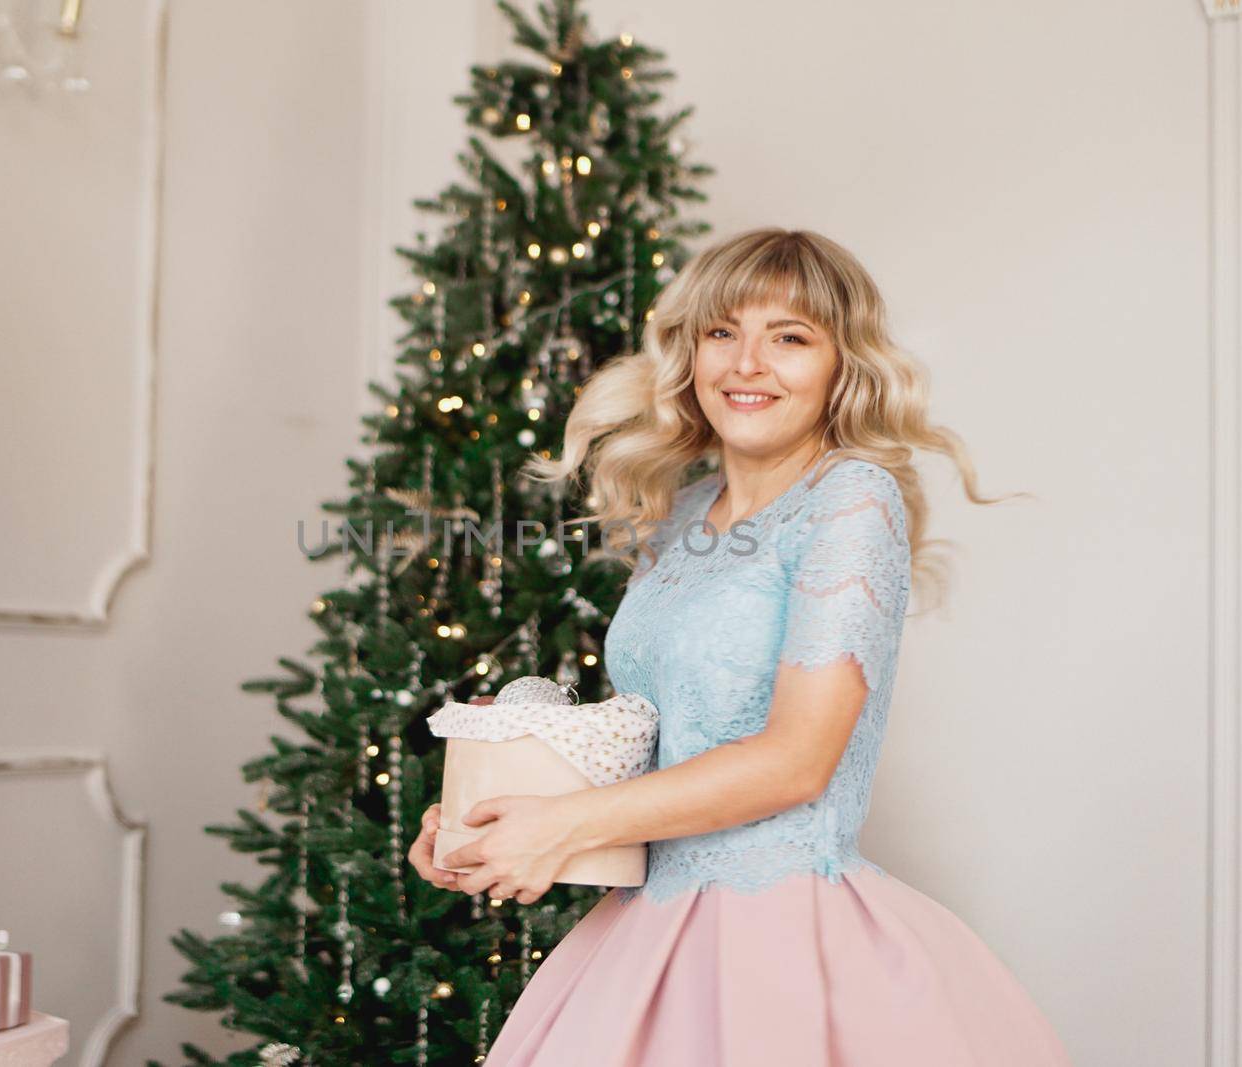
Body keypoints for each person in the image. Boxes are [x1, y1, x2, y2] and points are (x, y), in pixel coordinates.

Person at [406, 227, 1073, 1065]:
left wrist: (563, 824)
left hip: (784, 936)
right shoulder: (685, 511)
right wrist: (489, 820)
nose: (746, 363)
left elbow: (796, 760)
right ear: (689, 353)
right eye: (722, 332)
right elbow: (655, 744)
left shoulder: (851, 499)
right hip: (646, 926)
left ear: (842, 365)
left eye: (789, 338)